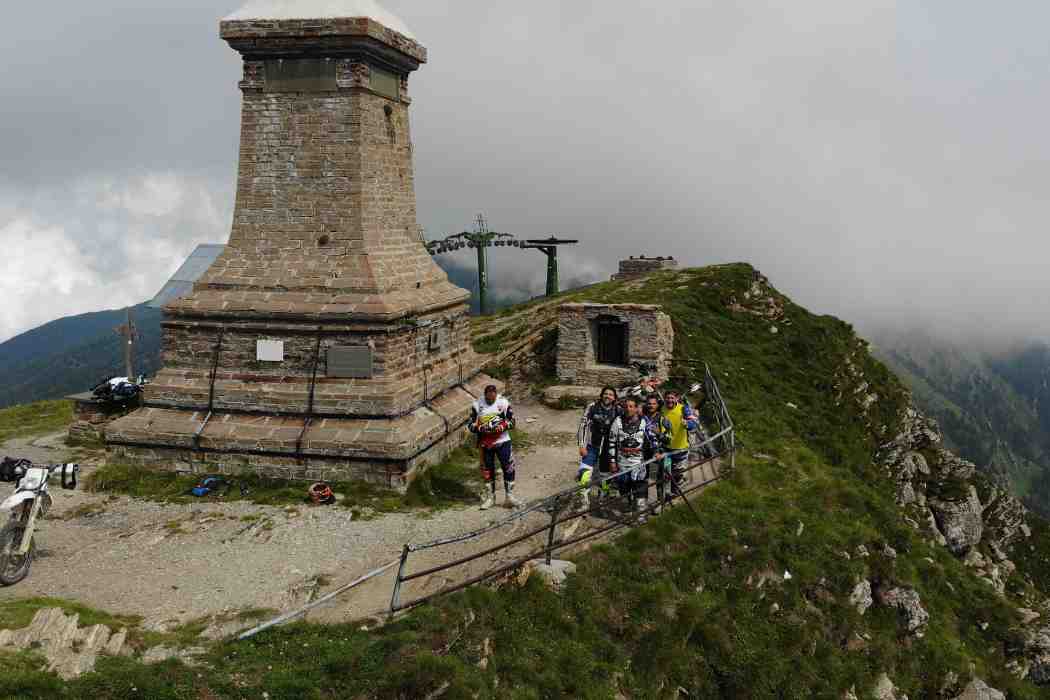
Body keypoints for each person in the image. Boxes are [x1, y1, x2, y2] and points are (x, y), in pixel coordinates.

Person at [469, 385, 520, 510]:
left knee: (508, 467)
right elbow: (470, 425)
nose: (491, 400)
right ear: (485, 395)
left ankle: (509, 496)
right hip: (485, 443)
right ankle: (490, 497)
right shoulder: (477, 405)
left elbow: (512, 421)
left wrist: (502, 427)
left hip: (503, 441)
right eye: (489, 398)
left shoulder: (503, 402)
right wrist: (481, 428)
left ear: (496, 394)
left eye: (493, 397)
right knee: (487, 470)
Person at [609, 396, 658, 523]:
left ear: (636, 408)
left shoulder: (644, 422)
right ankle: (628, 515)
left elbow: (653, 438)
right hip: (622, 463)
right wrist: (612, 462)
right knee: (624, 491)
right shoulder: (617, 421)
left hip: (639, 463)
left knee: (640, 490)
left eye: (631, 406)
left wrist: (657, 451)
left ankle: (641, 516)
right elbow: (612, 443)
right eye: (626, 406)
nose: (628, 409)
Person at [576, 386, 621, 509]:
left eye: (611, 394)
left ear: (614, 398)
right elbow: (583, 425)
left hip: (608, 449)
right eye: (605, 394)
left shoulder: (618, 410)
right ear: (601, 395)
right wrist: (581, 445)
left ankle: (602, 501)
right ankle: (584, 503)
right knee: (583, 475)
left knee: (605, 478)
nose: (608, 396)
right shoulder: (592, 407)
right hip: (592, 446)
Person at [660, 388, 700, 503]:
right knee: (667, 473)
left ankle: (675, 493)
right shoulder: (662, 408)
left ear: (676, 398)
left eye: (672, 398)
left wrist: (687, 424)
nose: (669, 400)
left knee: (677, 474)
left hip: (681, 449)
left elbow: (695, 423)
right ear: (664, 398)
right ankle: (667, 497)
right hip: (666, 449)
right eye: (667, 398)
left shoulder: (684, 409)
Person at [642, 394, 674, 512]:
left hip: (658, 454)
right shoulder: (642, 417)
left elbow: (669, 438)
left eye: (653, 403)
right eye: (649, 403)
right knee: (644, 478)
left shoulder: (663, 419)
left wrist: (658, 433)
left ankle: (659, 504)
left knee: (658, 479)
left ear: (657, 405)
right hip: (643, 454)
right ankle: (644, 503)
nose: (651, 405)